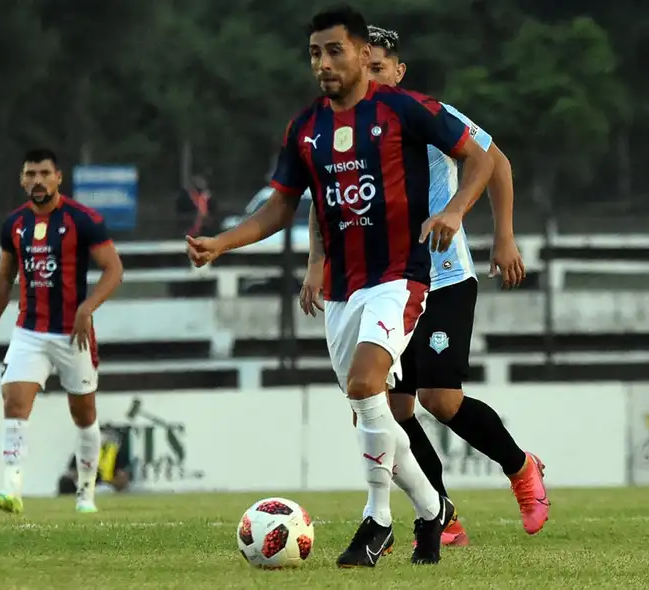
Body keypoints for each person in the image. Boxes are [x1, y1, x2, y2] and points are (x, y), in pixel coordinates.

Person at [186, 6, 495, 567]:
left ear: (360, 54)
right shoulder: (305, 128)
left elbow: (479, 158)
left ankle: (377, 522)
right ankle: (431, 511)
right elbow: (280, 206)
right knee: (369, 409)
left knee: (364, 383)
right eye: (314, 53)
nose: (323, 63)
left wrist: (453, 211)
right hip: (342, 292)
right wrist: (221, 243)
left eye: (333, 51)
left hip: (400, 278)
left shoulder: (406, 109)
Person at [300, 26, 551, 540]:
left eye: (377, 68)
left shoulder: (424, 112)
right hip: (380, 283)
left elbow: (495, 160)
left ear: (398, 71)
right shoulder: (344, 124)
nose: (366, 78)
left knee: (440, 397)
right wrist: (315, 263)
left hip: (442, 280)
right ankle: (440, 515)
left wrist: (502, 236)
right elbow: (326, 199)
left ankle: (520, 467)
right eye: (360, 67)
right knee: (387, 408)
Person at [0, 148, 124, 515]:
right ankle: (12, 488)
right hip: (30, 331)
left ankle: (86, 493)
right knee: (14, 402)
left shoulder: (83, 220)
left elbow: (114, 270)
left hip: (72, 335)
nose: (37, 180)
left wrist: (87, 308)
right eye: (30, 173)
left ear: (59, 177)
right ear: (22, 179)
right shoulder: (14, 224)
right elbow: (4, 277)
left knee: (85, 415)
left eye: (44, 173)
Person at [58, 426, 131, 495]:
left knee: (104, 490)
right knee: (65, 482)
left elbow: (122, 479)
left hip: (103, 486)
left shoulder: (115, 453)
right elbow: (72, 472)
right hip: (83, 485)